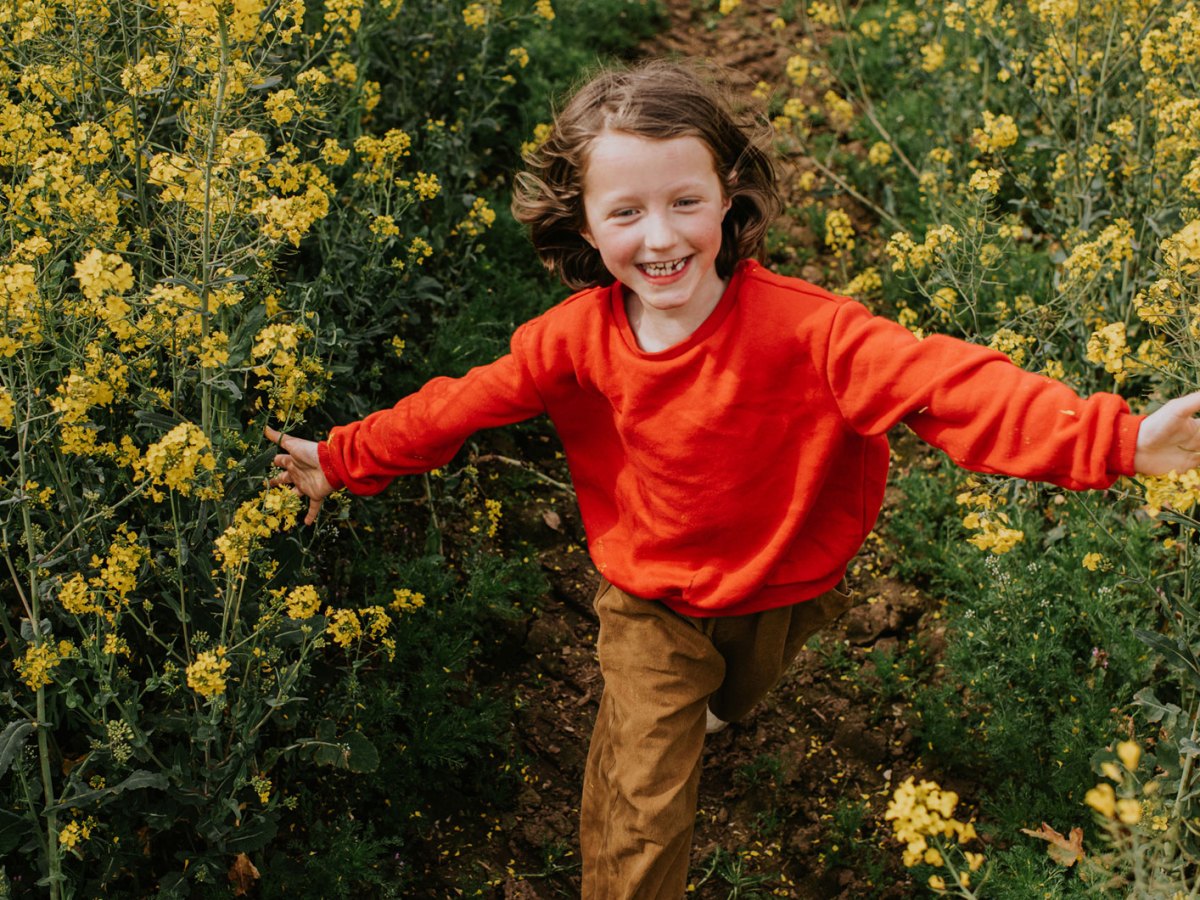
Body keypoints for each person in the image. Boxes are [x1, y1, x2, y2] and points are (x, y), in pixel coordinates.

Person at [266, 59, 1200, 899]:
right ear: (585, 225)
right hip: (652, 594)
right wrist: (342, 458)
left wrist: (1117, 440)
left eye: (685, 202)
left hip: (786, 585)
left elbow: (948, 384)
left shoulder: (813, 331)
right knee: (641, 795)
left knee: (737, 699)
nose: (660, 236)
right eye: (625, 212)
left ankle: (714, 706)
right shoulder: (574, 339)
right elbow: (458, 407)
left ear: (728, 198)